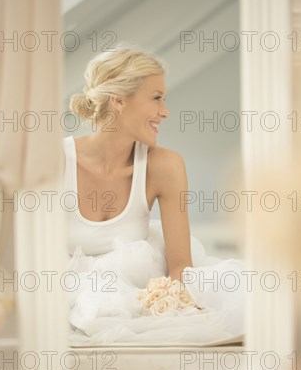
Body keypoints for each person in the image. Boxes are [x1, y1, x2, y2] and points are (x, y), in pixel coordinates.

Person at [61, 44, 246, 346]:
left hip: (137, 291)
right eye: (157, 98)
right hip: (63, 294)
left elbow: (179, 266)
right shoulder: (55, 159)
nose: (165, 111)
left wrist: (171, 304)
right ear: (119, 101)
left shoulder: (166, 166)